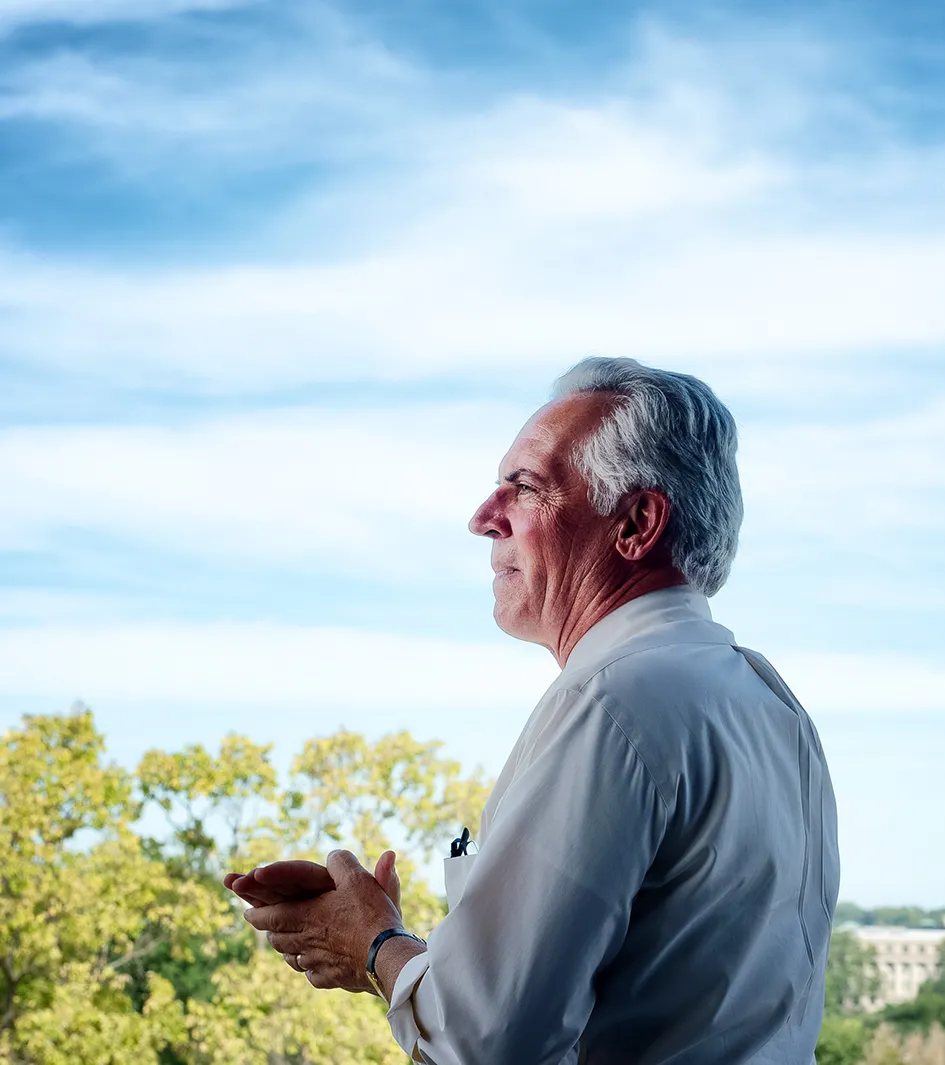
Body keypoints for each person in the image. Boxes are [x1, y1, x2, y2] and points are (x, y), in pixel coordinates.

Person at [225, 357, 840, 1064]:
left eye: (524, 487)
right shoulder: (770, 703)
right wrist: (422, 955)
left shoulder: (610, 703)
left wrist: (373, 942)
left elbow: (486, 1042)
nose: (483, 519)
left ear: (636, 523)